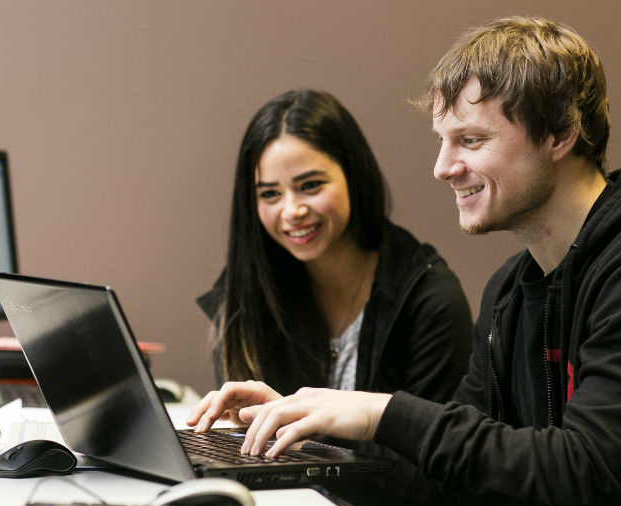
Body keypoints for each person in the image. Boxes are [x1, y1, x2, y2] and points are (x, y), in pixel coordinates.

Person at [190, 17, 621, 506]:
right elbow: (452, 487)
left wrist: (382, 412)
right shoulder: (512, 291)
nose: (443, 167)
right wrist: (305, 439)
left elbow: (589, 478)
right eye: (443, 140)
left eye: (470, 140)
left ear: (560, 132)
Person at [193, 89, 473, 404]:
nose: (292, 211)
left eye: (310, 186)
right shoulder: (247, 293)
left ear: (354, 176)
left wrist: (294, 431)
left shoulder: (429, 301)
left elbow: (431, 448)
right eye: (270, 194)